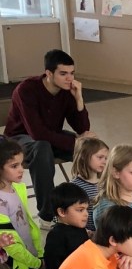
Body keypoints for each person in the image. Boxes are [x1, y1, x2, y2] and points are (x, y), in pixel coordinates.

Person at [3, 49, 90, 225]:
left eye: (72, 73)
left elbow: (82, 129)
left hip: (50, 138)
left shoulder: (67, 90)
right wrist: (74, 142)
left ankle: (93, 204)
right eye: (63, 74)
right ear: (49, 74)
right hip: (19, 139)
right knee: (42, 147)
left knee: (91, 147)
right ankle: (47, 216)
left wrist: (79, 99)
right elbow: (37, 133)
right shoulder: (26, 90)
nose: (69, 78)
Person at [0, 137, 44, 269]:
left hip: (31, 253)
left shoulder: (17, 188)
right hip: (17, 267)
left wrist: (38, 253)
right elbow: (11, 247)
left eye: (21, 164)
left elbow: (27, 222)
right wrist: (37, 264)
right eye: (14, 166)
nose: (21, 170)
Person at [40, 181, 90, 269]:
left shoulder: (80, 228)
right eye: (80, 210)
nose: (86, 214)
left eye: (86, 209)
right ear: (62, 212)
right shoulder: (56, 236)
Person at [70, 134, 109, 231]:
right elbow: (72, 215)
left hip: (107, 231)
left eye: (106, 158)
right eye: (100, 157)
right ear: (84, 156)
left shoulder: (106, 183)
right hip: (88, 233)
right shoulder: (74, 186)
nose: (104, 162)